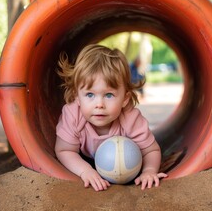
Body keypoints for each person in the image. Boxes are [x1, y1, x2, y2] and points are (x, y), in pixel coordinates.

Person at [55, 44, 167, 191]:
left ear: (125, 99)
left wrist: (149, 171)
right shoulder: (73, 115)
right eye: (90, 95)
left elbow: (151, 150)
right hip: (86, 159)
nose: (99, 104)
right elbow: (64, 150)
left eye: (109, 95)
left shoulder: (130, 118)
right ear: (76, 96)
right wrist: (86, 171)